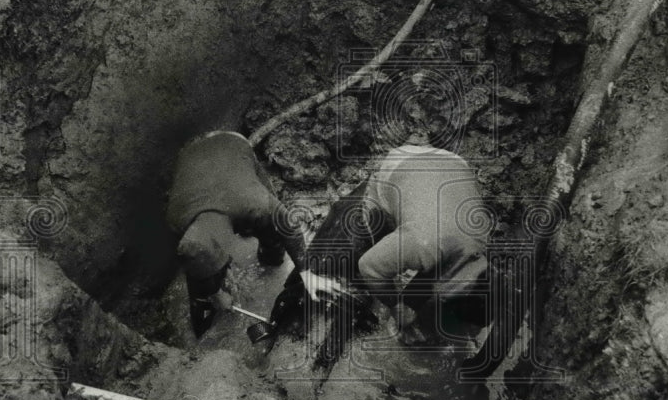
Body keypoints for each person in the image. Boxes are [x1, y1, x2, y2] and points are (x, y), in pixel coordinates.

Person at [303, 133, 489, 344]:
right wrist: (396, 306)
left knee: (431, 258)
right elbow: (369, 266)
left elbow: (444, 269)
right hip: (399, 166)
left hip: (451, 163)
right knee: (371, 240)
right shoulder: (423, 244)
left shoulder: (480, 245)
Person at [166, 131, 308, 336]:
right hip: (192, 156)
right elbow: (194, 258)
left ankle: (271, 254)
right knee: (200, 286)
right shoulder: (178, 221)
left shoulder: (256, 204)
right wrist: (215, 293)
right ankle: (203, 323)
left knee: (271, 232)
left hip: (231, 142)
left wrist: (307, 271)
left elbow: (289, 226)